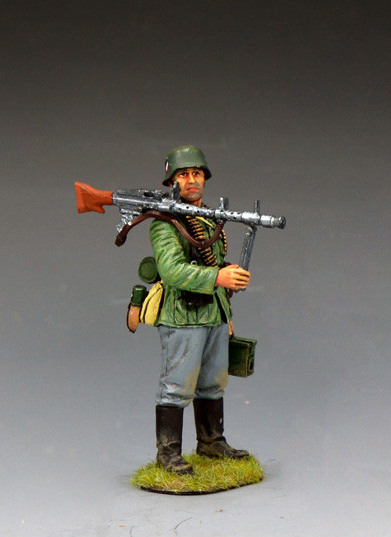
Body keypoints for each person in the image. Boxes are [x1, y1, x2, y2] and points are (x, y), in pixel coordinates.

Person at [150, 145, 251, 475]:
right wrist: (218, 276)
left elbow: (214, 261)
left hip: (213, 313)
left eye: (197, 173)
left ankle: (211, 442)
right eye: (183, 174)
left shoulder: (207, 220)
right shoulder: (165, 222)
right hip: (182, 316)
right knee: (177, 386)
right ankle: (168, 453)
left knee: (213, 381)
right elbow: (172, 271)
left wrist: (227, 308)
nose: (192, 180)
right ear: (172, 181)